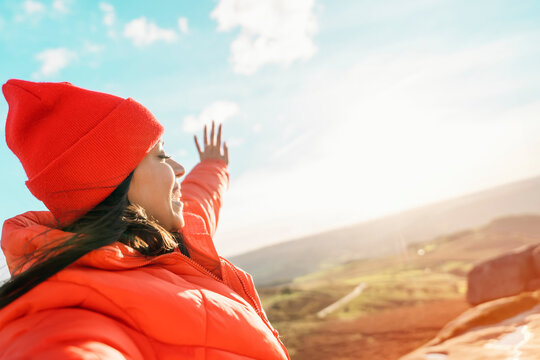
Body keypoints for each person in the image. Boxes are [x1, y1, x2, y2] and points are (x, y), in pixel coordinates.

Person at [0, 79, 290, 359]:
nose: (178, 168)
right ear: (117, 182)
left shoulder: (168, 237)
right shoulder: (75, 311)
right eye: (161, 155)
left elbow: (198, 199)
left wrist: (214, 166)